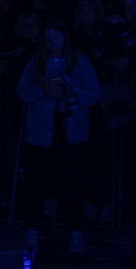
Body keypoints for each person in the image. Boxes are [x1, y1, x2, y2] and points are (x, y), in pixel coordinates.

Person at [16, 23, 102, 252]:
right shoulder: (36, 62)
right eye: (48, 39)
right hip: (41, 132)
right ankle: (32, 229)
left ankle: (75, 230)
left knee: (74, 181)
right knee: (36, 180)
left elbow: (94, 93)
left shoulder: (80, 61)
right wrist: (42, 90)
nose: (52, 43)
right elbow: (22, 91)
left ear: (65, 38)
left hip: (71, 131)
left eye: (57, 38)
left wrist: (69, 90)